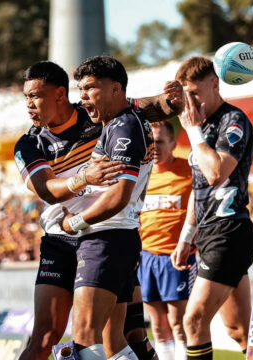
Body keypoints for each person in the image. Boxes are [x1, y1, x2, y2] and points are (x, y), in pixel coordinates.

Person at [14, 60, 182, 360]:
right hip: (60, 239)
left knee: (126, 336)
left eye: (35, 96)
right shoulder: (28, 144)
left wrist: (170, 102)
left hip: (106, 233)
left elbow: (148, 107)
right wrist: (82, 179)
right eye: (26, 97)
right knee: (46, 338)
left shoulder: (96, 113)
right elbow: (45, 190)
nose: (29, 105)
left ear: (60, 95)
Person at [57, 55, 155, 360]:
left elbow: (119, 195)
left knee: (85, 338)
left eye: (89, 88)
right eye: (80, 89)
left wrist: (74, 224)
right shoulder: (118, 124)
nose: (82, 97)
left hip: (106, 239)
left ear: (115, 89)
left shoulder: (124, 127)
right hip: (118, 239)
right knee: (115, 343)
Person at [170, 56, 253, 360]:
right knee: (240, 332)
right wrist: (186, 237)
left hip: (229, 232)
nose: (189, 101)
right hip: (208, 235)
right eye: (185, 94)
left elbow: (216, 174)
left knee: (193, 321)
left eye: (194, 92)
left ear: (215, 85)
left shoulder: (233, 121)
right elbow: (199, 188)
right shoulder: (201, 126)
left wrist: (193, 132)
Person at [137, 121, 195, 360]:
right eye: (150, 142)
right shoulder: (140, 175)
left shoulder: (189, 172)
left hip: (177, 256)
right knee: (158, 326)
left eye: (160, 141)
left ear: (173, 143)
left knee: (178, 322)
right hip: (146, 257)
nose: (155, 147)